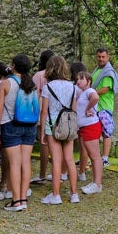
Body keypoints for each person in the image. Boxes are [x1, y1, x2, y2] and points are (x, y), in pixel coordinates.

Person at [0, 54, 37, 211]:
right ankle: (23, 198)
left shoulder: (6, 83)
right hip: (30, 126)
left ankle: (15, 200)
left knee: (14, 163)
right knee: (25, 162)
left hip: (10, 124)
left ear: (13, 66)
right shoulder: (31, 83)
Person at [39, 54, 80, 204]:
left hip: (53, 125)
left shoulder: (47, 87)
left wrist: (43, 131)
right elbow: (74, 110)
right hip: (68, 124)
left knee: (56, 160)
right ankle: (74, 193)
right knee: (69, 159)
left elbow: (44, 111)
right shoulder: (73, 87)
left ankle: (56, 195)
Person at [73, 68, 104, 194]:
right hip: (85, 127)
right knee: (93, 156)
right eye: (77, 79)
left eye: (81, 79)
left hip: (90, 126)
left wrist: (87, 109)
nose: (78, 81)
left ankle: (97, 183)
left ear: (89, 81)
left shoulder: (90, 91)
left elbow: (95, 97)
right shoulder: (84, 93)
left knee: (95, 156)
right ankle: (95, 182)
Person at [93, 47, 118, 166]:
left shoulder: (108, 72)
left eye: (103, 57)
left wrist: (90, 93)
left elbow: (105, 89)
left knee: (106, 132)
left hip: (104, 107)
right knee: (94, 133)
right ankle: (93, 157)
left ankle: (105, 158)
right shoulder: (96, 71)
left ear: (107, 57)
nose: (101, 59)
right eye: (99, 57)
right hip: (95, 106)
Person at [33, 49, 55, 186]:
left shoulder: (39, 75)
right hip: (58, 112)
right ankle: (59, 172)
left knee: (44, 142)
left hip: (43, 110)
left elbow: (35, 95)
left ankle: (42, 173)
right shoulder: (60, 77)